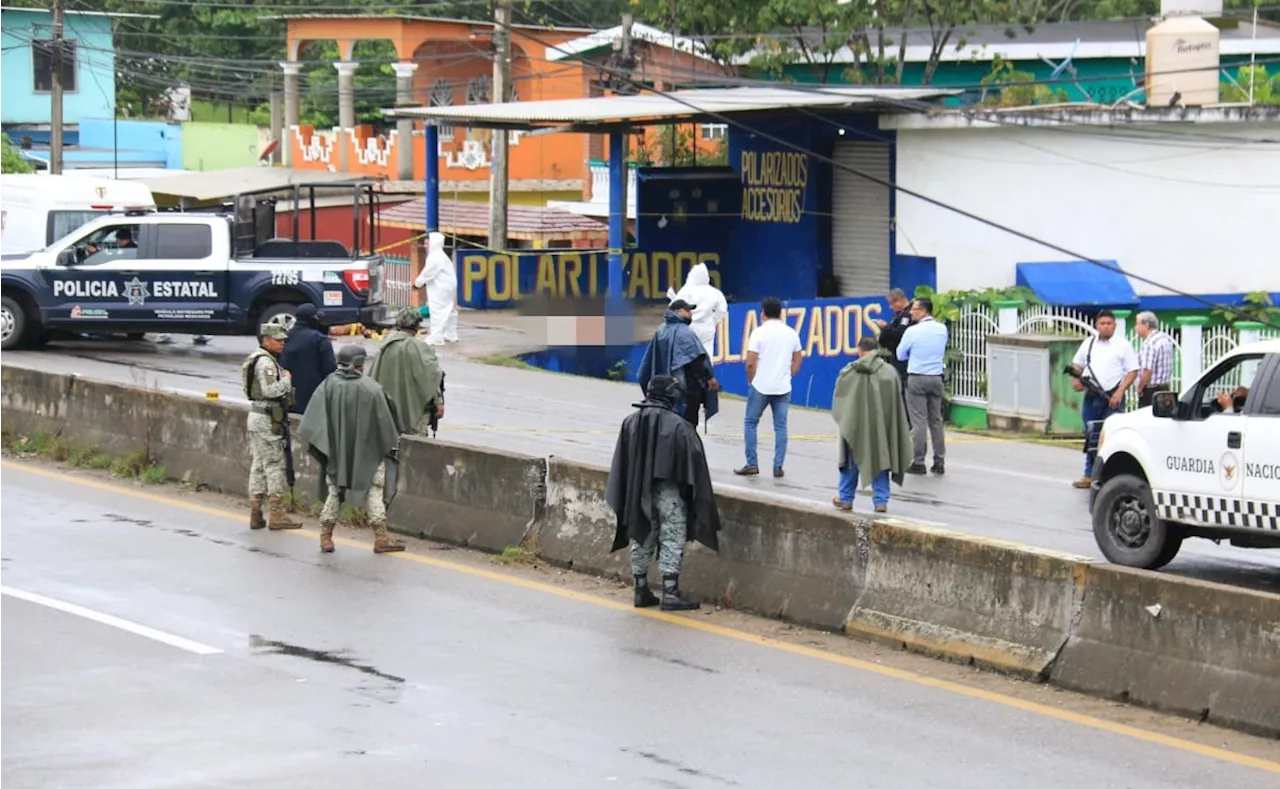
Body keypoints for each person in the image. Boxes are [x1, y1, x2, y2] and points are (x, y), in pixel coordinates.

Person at [606, 375, 721, 612]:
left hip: (638, 491)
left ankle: (640, 588)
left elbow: (622, 464)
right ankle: (670, 593)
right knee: (673, 534)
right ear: (670, 395)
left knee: (641, 532)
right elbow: (694, 465)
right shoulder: (679, 425)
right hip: (669, 492)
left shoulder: (630, 422)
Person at [299, 344, 405, 554]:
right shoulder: (372, 389)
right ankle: (381, 537)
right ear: (359, 363)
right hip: (369, 454)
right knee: (374, 491)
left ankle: (326, 536)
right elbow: (387, 425)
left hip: (336, 452)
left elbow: (314, 420)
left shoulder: (328, 384)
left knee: (334, 492)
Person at [831, 335, 913, 514]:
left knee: (851, 462)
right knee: (880, 460)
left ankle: (845, 498)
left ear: (860, 350)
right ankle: (880, 501)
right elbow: (896, 404)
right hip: (881, 428)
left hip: (854, 426)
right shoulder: (890, 373)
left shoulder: (849, 371)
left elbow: (839, 401)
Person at [1069, 310, 1139, 488]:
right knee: (1091, 435)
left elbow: (1132, 371)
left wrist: (1120, 391)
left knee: (1110, 436)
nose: (1106, 326)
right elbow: (1077, 364)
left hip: (1112, 397)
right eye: (1103, 323)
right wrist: (1076, 379)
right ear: (1096, 325)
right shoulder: (1089, 344)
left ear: (1115, 326)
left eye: (1110, 323)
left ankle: (1109, 475)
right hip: (1092, 396)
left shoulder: (1123, 345)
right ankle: (1089, 474)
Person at [242, 324, 300, 531]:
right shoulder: (266, 362)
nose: (282, 342)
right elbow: (269, 390)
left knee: (258, 464)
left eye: (283, 339)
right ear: (266, 340)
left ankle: (256, 511)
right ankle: (277, 513)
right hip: (267, 418)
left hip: (257, 416)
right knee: (274, 465)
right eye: (277, 339)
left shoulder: (258, 358)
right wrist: (286, 381)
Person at [736, 296, 802, 478]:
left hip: (761, 385)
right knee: (780, 427)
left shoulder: (758, 332)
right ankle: (778, 465)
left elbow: (750, 362)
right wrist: (788, 375)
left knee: (750, 423)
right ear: (780, 313)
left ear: (763, 313)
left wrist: (751, 380)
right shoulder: (791, 333)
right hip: (782, 387)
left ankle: (752, 463)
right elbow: (798, 359)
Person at [637, 299, 720, 427]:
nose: (690, 313)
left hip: (664, 390)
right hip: (686, 390)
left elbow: (648, 364)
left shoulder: (661, 330)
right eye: (687, 310)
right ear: (676, 312)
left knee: (667, 425)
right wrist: (709, 378)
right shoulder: (684, 332)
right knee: (687, 427)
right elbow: (695, 360)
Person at [368, 307, 446, 437]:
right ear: (416, 325)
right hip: (414, 410)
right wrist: (439, 402)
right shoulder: (420, 349)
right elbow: (432, 378)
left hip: (387, 412)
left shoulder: (385, 346)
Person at [897, 297, 949, 476]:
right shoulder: (942, 329)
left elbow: (900, 354)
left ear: (924, 311)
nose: (911, 312)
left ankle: (919, 462)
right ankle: (939, 461)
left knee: (919, 421)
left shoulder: (913, 331)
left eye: (915, 309)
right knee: (936, 421)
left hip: (917, 378)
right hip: (936, 378)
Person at [279, 303, 337, 414]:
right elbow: (330, 370)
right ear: (313, 319)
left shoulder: (284, 338)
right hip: (313, 399)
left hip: (288, 397)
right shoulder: (320, 340)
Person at [666, 262, 728, 360]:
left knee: (688, 358)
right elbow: (722, 310)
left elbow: (674, 307)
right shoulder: (715, 292)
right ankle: (707, 374)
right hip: (706, 328)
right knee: (707, 357)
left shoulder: (685, 291)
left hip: (689, 328)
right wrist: (713, 321)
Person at [414, 231, 459, 345]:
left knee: (437, 311)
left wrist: (417, 284)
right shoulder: (440, 255)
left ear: (433, 244)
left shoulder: (435, 257)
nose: (425, 246)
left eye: (427, 244)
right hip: (448, 287)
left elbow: (427, 273)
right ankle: (451, 334)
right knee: (449, 311)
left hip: (441, 289)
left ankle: (436, 337)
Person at [873, 288, 915, 388]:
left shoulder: (907, 315)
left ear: (899, 300)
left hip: (903, 359)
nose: (890, 307)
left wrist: (885, 328)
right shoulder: (898, 315)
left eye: (892, 304)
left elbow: (900, 333)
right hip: (895, 356)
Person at [1134, 311, 1174, 408]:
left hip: (1151, 390)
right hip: (1165, 388)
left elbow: (1147, 370)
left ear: (1146, 325)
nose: (1135, 328)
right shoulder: (1165, 339)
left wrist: (1140, 387)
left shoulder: (1150, 344)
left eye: (1137, 324)